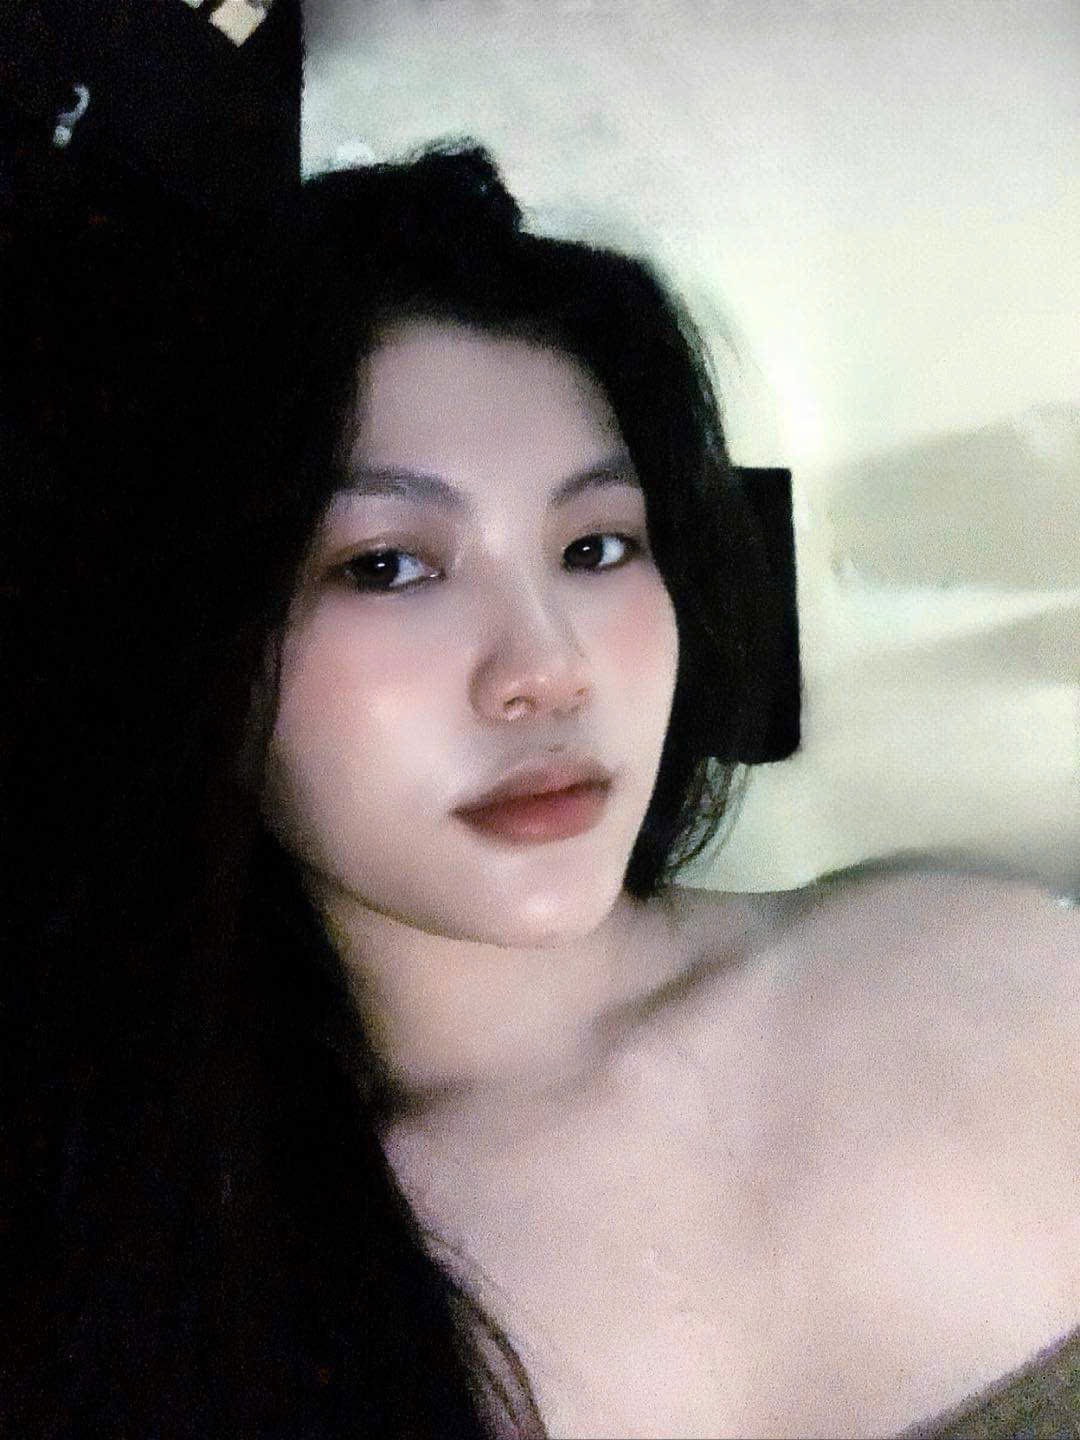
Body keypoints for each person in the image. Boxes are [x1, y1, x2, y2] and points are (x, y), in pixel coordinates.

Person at [2, 140, 1076, 1440]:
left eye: (597, 545)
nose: (546, 669)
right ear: (198, 645)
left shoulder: (1007, 985)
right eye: (388, 566)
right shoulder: (155, 1284)